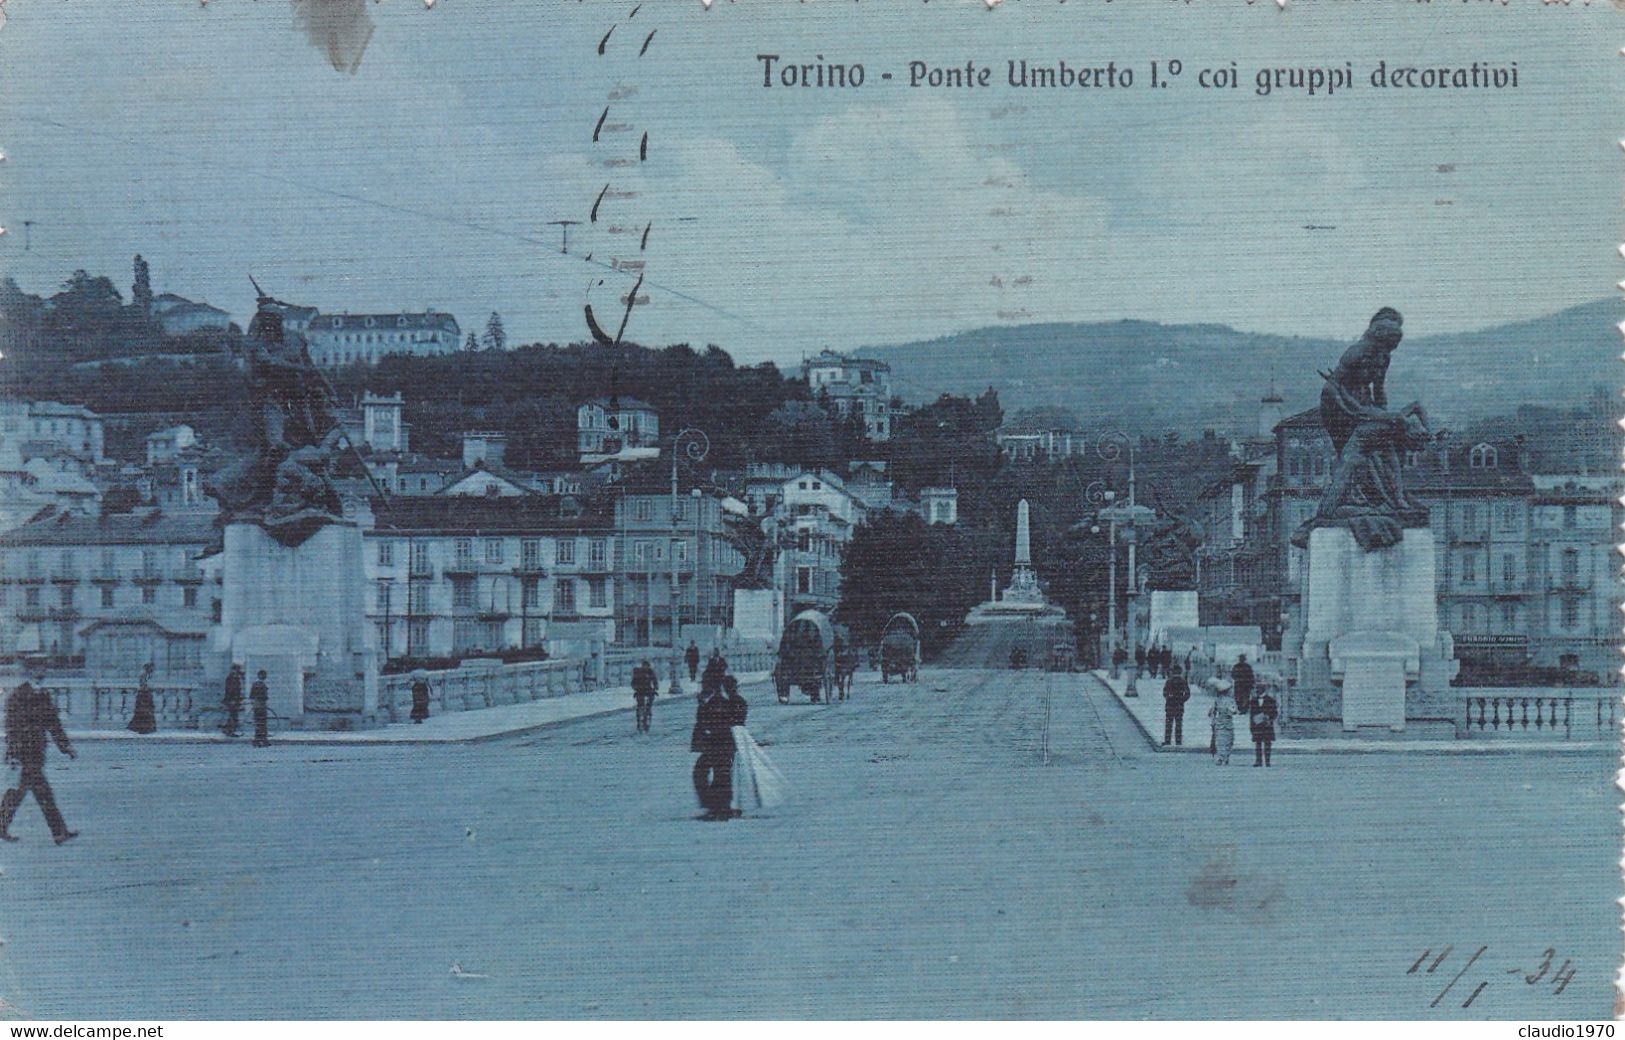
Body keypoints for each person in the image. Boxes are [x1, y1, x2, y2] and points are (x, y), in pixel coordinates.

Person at [0, 659, 77, 845]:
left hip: (35, 753)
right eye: (37, 668)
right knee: (42, 793)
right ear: (30, 671)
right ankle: (59, 833)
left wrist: (65, 747)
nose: (41, 671)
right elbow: (11, 727)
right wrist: (14, 753)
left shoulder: (43, 695)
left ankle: (2, 827)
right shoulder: (17, 695)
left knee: (18, 794)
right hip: (23, 754)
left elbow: (53, 724)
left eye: (43, 668)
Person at [727, 674, 787, 817]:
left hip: (734, 733)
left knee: (736, 770)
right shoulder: (740, 701)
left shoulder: (729, 702)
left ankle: (737, 803)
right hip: (741, 733)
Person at [690, 682, 735, 821]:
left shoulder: (717, 704)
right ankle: (718, 805)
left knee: (715, 775)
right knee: (715, 774)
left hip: (719, 746)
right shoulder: (712, 704)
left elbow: (708, 724)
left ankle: (717, 806)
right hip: (717, 746)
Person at [1209, 680, 1238, 766]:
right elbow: (1234, 711)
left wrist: (1213, 720)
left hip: (1218, 723)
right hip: (1227, 723)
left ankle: (1221, 757)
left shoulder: (1217, 700)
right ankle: (1224, 757)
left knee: (1221, 741)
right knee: (1228, 740)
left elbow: (1211, 712)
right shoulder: (1230, 701)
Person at [1250, 685, 1279, 767]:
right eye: (1257, 689)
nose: (1257, 690)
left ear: (1264, 690)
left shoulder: (1270, 700)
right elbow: (1251, 715)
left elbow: (1275, 712)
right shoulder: (1253, 700)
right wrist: (1251, 726)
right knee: (1258, 744)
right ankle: (1258, 761)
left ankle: (1267, 761)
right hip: (1257, 725)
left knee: (1267, 744)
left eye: (1259, 689)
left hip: (1267, 725)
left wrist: (1269, 718)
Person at [1161, 664, 1190, 747]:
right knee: (1179, 724)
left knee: (1168, 723)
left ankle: (1167, 741)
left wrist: (1168, 698)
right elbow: (1187, 693)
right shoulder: (1183, 681)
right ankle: (1178, 741)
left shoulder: (1169, 681)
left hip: (1170, 705)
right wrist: (1182, 700)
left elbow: (1164, 692)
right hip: (1179, 705)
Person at [127, 661, 157, 735]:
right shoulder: (144, 676)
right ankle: (143, 728)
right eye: (151, 668)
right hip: (144, 695)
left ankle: (144, 728)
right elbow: (143, 686)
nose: (152, 670)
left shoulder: (146, 676)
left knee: (145, 712)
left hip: (144, 695)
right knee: (144, 712)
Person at [631, 658, 658, 733]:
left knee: (649, 704)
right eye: (644, 666)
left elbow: (654, 680)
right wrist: (635, 688)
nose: (645, 667)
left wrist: (656, 687)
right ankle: (639, 721)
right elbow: (633, 682)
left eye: (647, 666)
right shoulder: (637, 672)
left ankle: (648, 714)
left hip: (648, 690)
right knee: (640, 705)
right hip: (640, 690)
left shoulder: (650, 671)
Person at [221, 663, 245, 738]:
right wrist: (233, 699)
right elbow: (230, 690)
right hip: (232, 700)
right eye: (237, 670)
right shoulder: (231, 678)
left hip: (234, 700)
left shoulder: (235, 677)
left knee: (233, 715)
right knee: (233, 716)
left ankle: (227, 730)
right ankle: (230, 731)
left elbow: (237, 689)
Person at [250, 670, 271, 748]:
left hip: (256, 706)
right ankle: (262, 740)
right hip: (261, 706)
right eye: (264, 675)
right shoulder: (262, 685)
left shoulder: (254, 684)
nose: (265, 677)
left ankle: (258, 740)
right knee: (262, 723)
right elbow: (264, 697)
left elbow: (251, 696)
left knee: (258, 723)